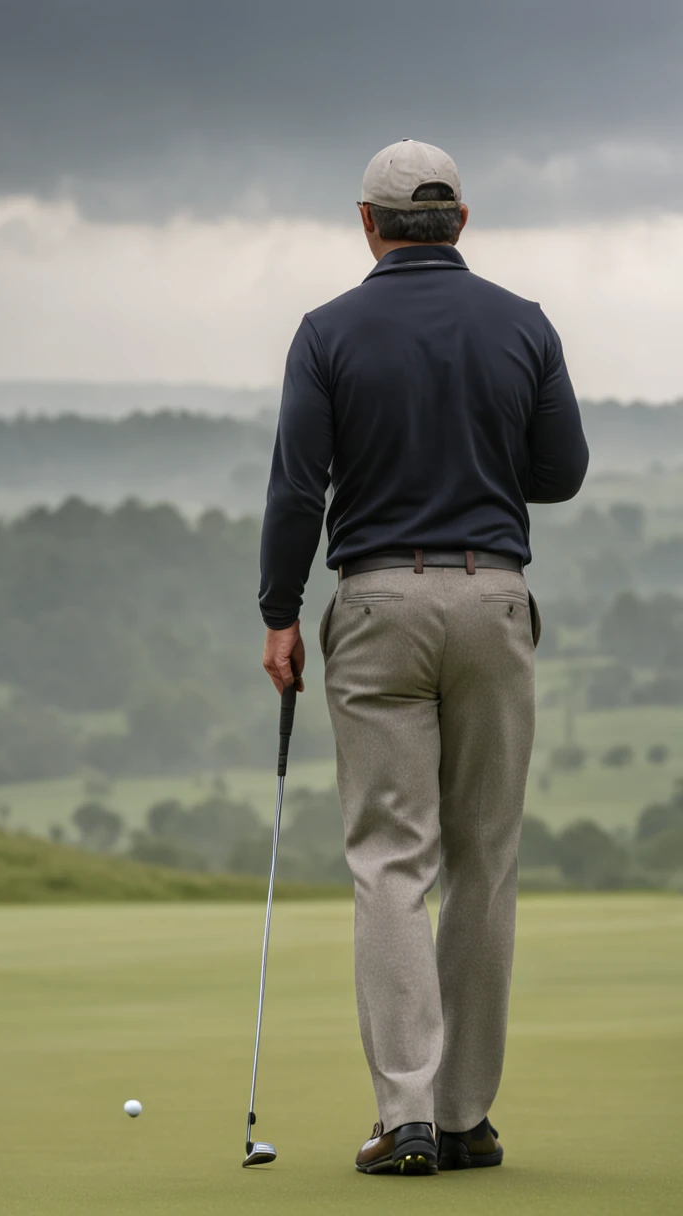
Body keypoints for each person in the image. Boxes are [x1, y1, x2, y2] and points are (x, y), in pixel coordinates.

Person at [258, 139, 589, 1176]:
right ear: (461, 220)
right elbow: (562, 471)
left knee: (391, 858)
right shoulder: (523, 323)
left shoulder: (326, 331)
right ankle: (461, 1117)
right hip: (493, 599)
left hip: (374, 604)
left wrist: (279, 611)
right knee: (483, 859)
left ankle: (402, 1113)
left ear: (369, 222)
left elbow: (295, 490)